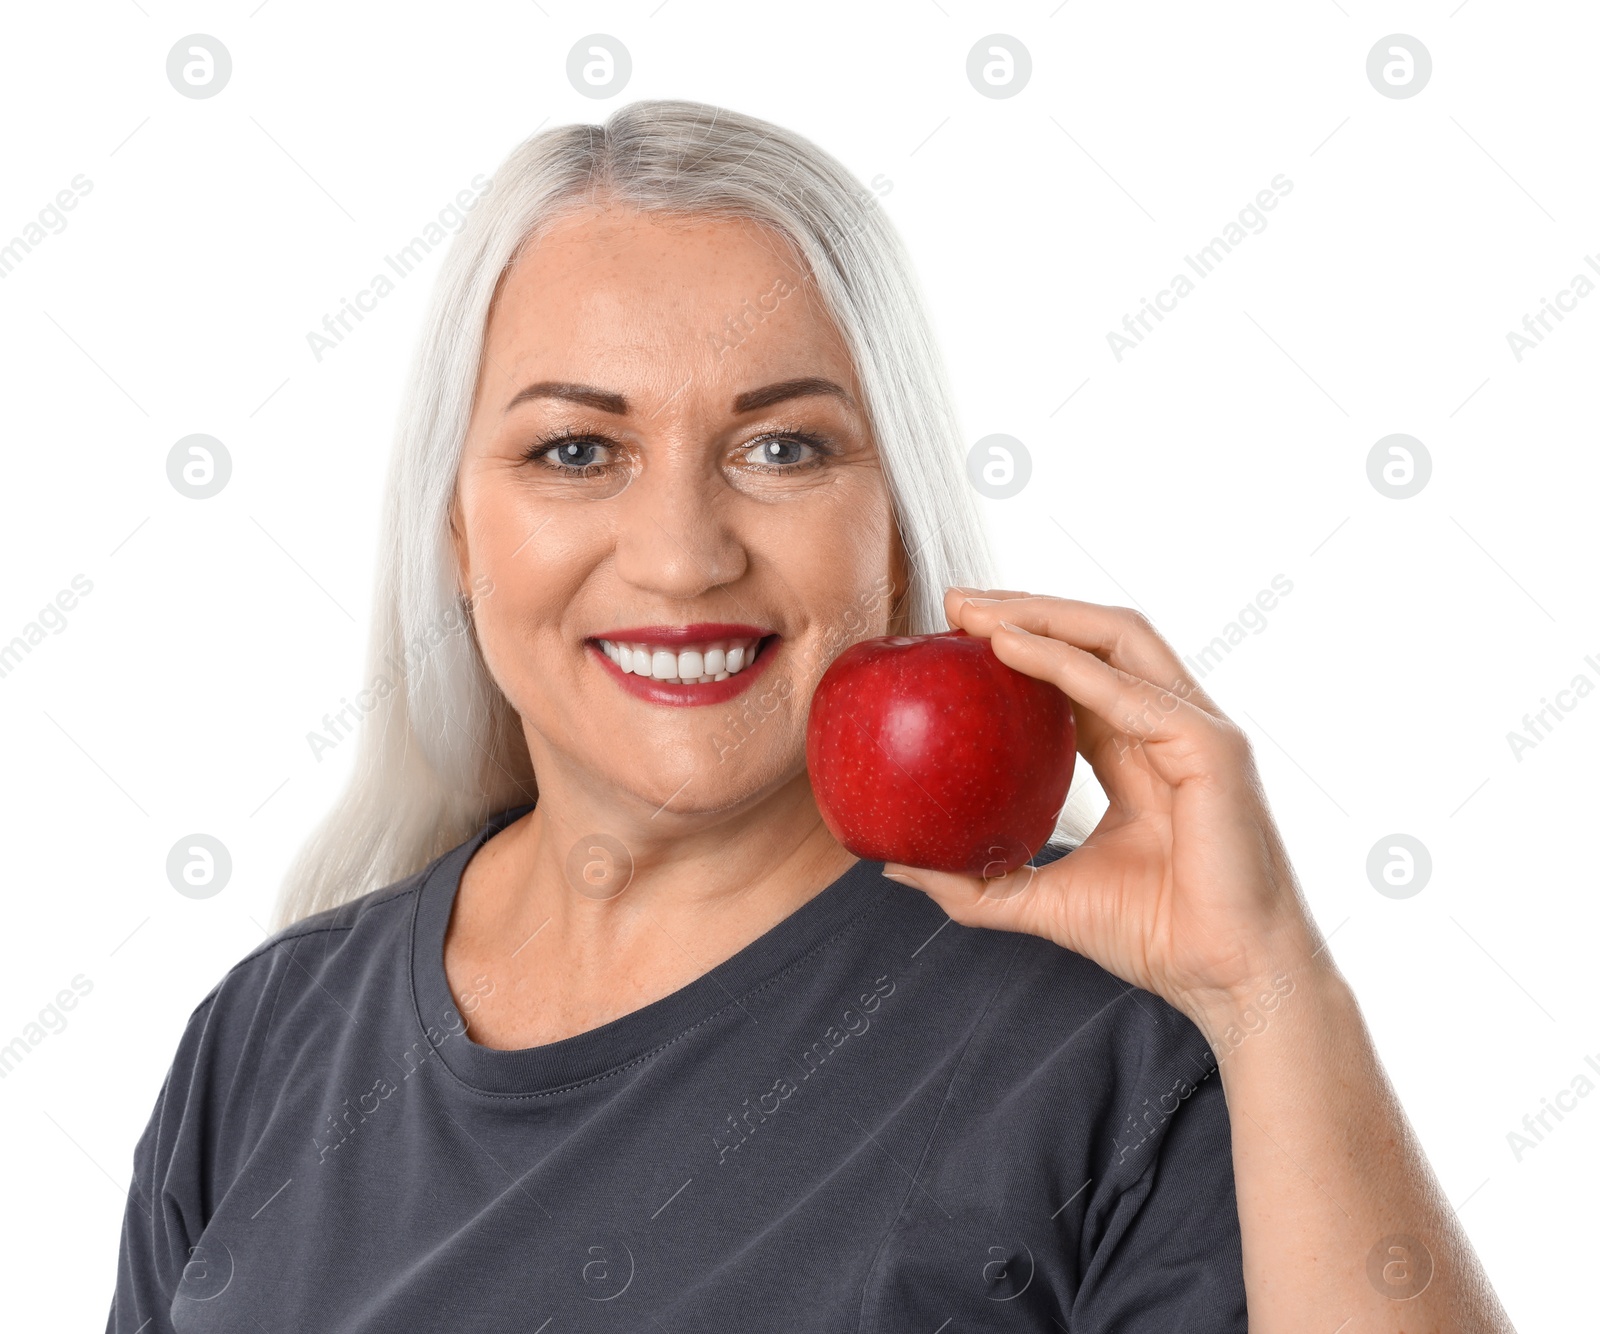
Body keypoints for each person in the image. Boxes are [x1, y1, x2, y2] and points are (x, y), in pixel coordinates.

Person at [107, 100, 1514, 1333]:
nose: (680, 551)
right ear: (459, 534)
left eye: (783, 447)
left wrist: (1272, 985)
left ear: (893, 531)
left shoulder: (1111, 1051)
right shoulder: (267, 1039)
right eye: (576, 449)